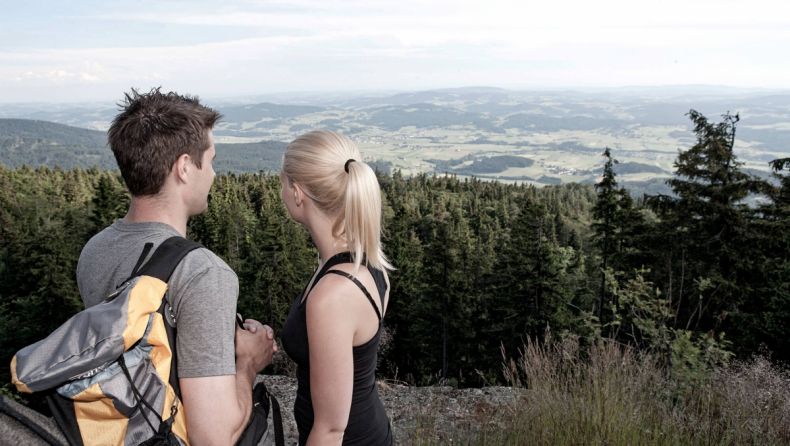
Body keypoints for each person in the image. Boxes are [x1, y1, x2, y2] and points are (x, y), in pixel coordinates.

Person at [76, 88, 277, 445]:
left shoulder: (95, 250)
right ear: (184, 167)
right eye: (210, 161)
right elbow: (213, 437)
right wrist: (248, 363)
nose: (213, 174)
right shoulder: (203, 273)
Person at [279, 130, 394, 445]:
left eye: (283, 183)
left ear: (297, 193)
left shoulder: (334, 293)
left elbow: (331, 428)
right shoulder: (365, 262)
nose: (281, 192)